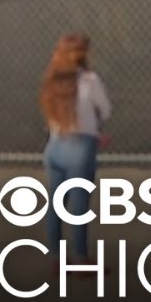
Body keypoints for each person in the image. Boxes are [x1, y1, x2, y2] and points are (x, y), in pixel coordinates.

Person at [37, 33, 112, 271]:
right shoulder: (90, 80)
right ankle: (80, 259)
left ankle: (56, 258)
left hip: (55, 147)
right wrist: (93, 124)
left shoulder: (51, 80)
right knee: (79, 207)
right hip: (81, 148)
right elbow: (106, 109)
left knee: (56, 205)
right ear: (84, 54)